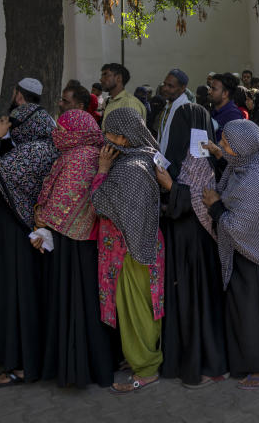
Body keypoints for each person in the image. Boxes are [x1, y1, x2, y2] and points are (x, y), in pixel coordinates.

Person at [0, 96, 59, 386]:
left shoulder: (35, 150)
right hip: (21, 233)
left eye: (14, 125)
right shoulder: (39, 146)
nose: (10, 129)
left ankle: (22, 364)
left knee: (17, 298)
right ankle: (16, 358)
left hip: (15, 235)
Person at [31, 109, 115, 388]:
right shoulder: (96, 154)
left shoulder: (77, 157)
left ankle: (73, 368)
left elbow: (57, 202)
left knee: (72, 304)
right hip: (93, 245)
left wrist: (41, 219)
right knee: (93, 304)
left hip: (70, 247)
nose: (58, 135)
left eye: (63, 130)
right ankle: (100, 366)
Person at [201, 120, 259, 390]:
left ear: (242, 147)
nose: (223, 147)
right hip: (244, 252)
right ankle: (246, 364)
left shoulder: (255, 180)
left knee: (256, 317)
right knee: (243, 315)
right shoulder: (245, 164)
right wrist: (217, 153)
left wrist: (214, 207)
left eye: (227, 144)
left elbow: (237, 226)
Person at [92, 108, 169, 393]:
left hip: (131, 249)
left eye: (110, 133)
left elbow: (100, 203)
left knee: (137, 309)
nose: (105, 139)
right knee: (141, 306)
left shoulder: (128, 169)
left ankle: (146, 368)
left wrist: (101, 172)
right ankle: (139, 357)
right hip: (142, 244)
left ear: (124, 138)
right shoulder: (147, 154)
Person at [157, 102, 227, 387]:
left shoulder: (197, 161)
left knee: (194, 301)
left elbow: (197, 200)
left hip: (194, 243)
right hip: (189, 242)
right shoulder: (199, 159)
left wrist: (171, 188)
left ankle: (202, 364)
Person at [155, 69, 190, 151]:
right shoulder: (168, 106)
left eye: (170, 86)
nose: (165, 88)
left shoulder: (186, 109)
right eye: (164, 84)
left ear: (182, 88)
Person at [209, 73, 245, 142]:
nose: (209, 91)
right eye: (210, 87)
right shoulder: (215, 111)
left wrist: (216, 150)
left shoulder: (233, 116)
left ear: (225, 94)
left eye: (213, 89)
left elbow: (235, 149)